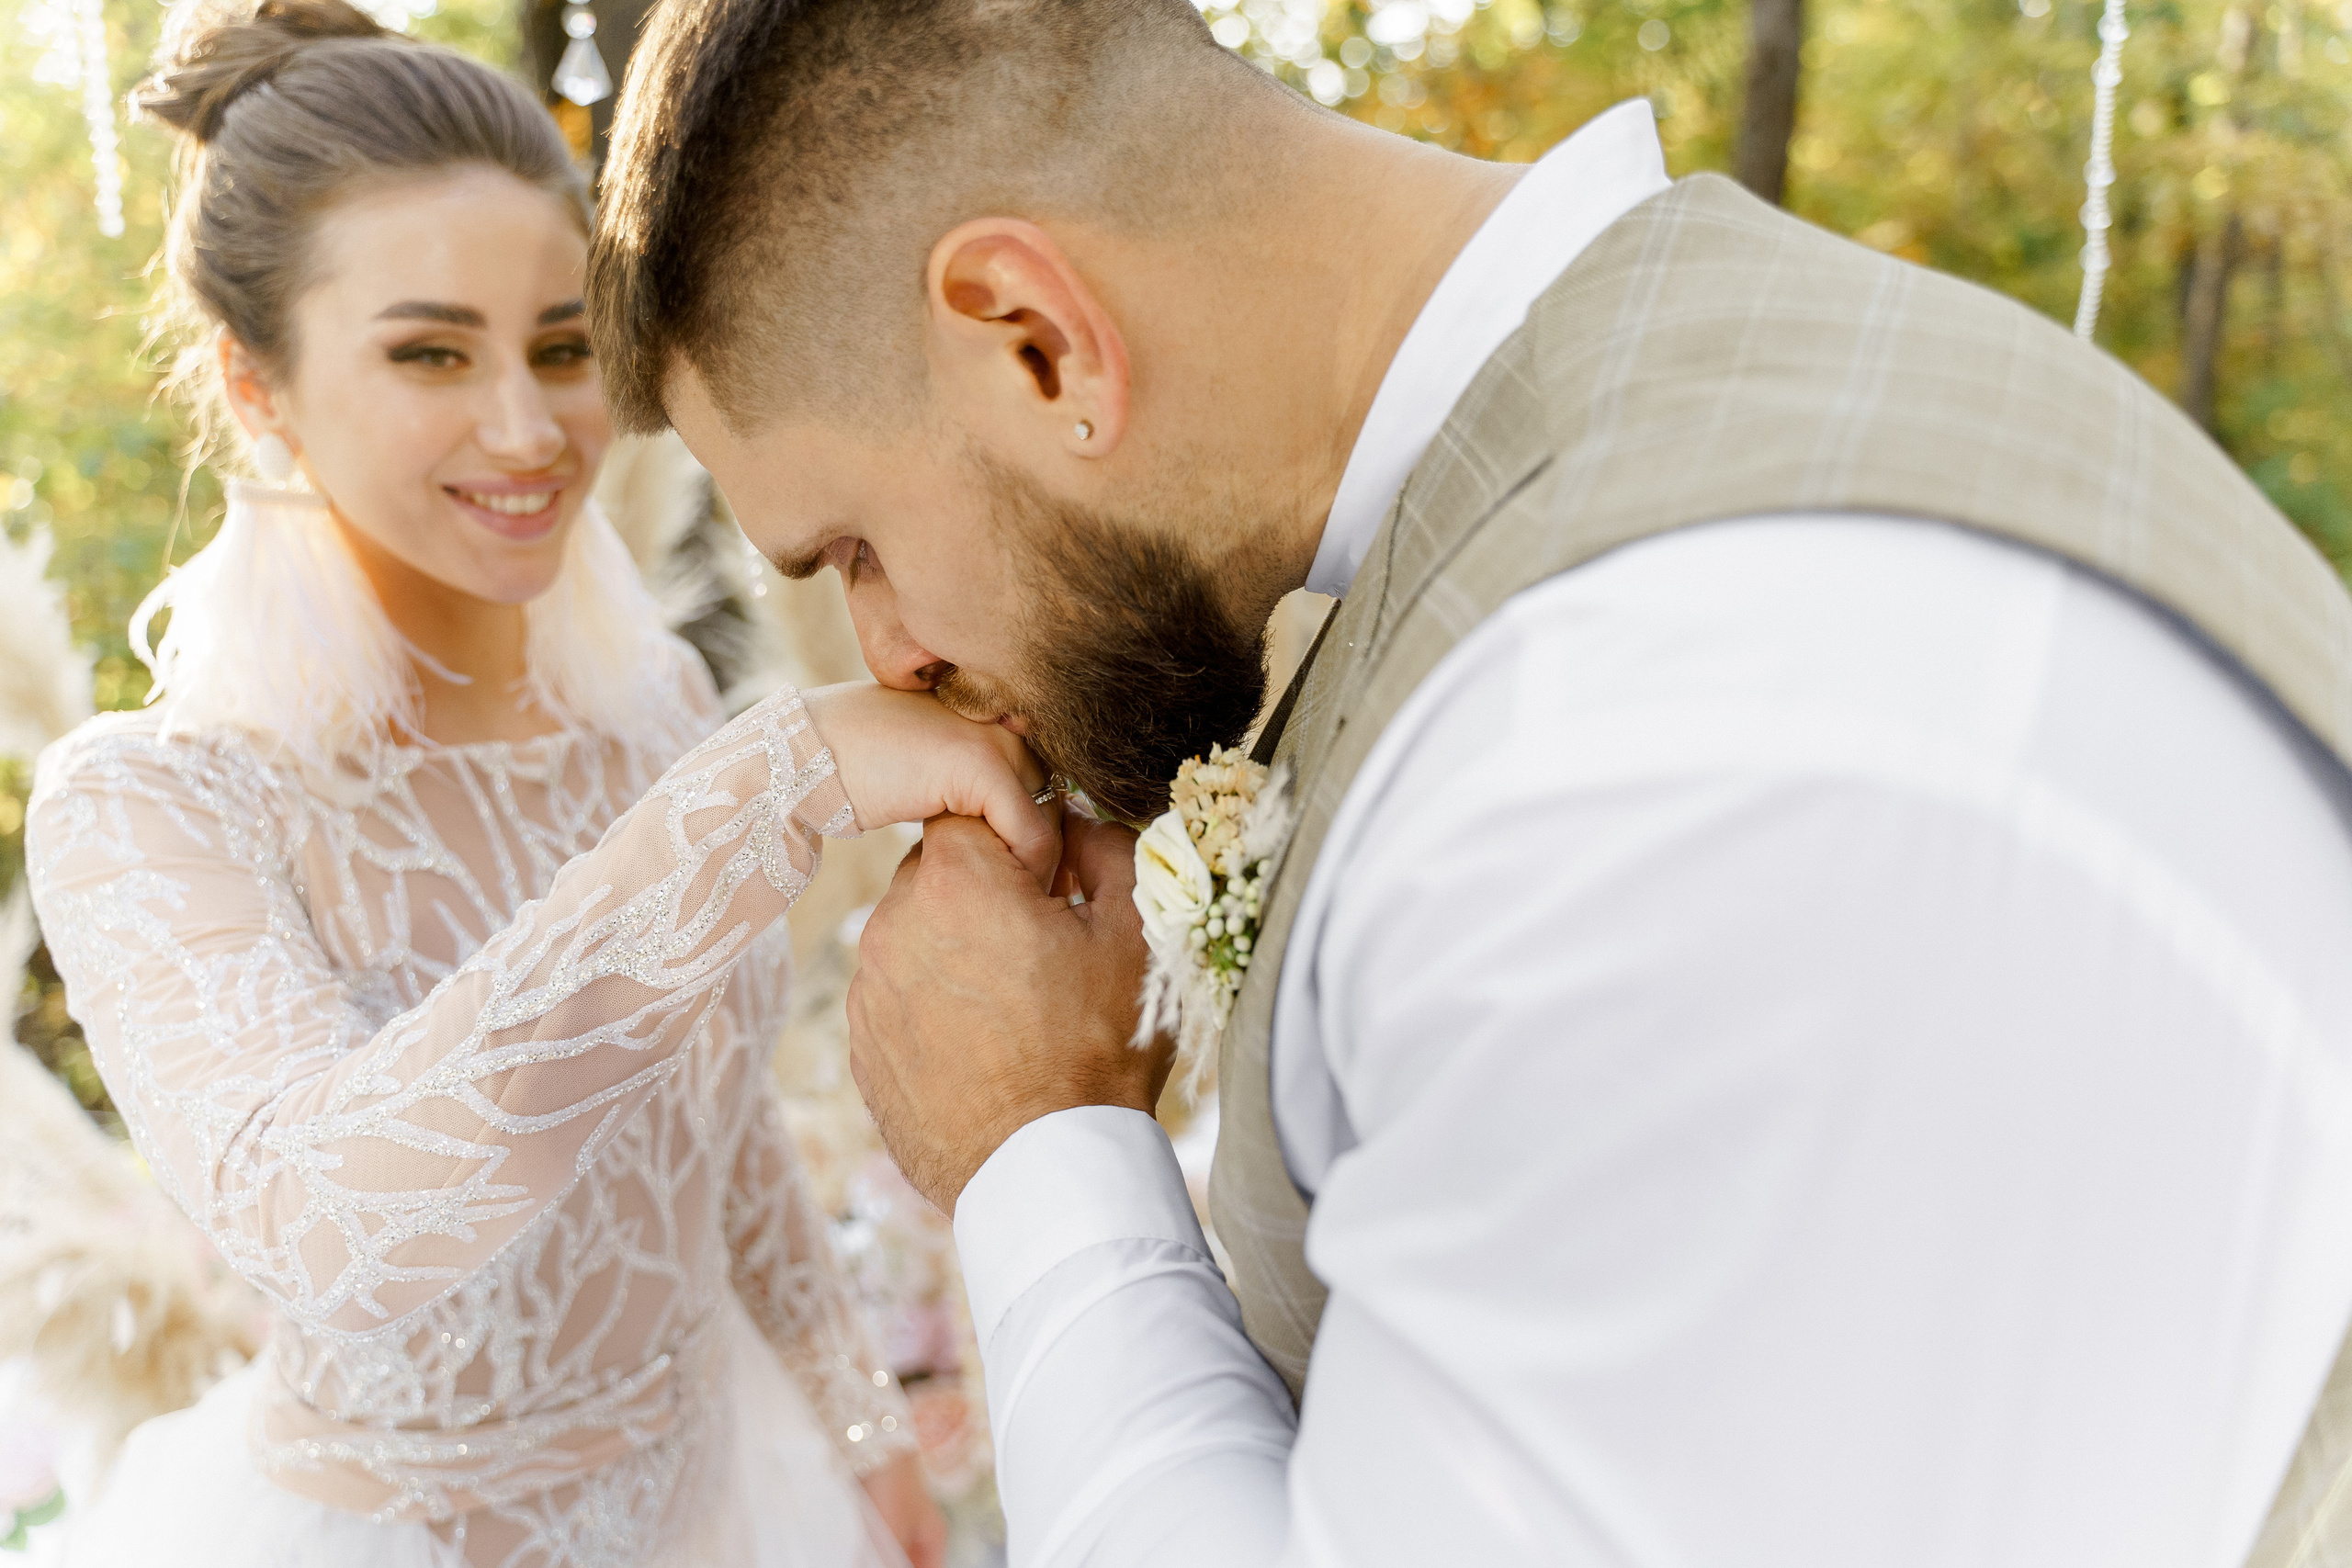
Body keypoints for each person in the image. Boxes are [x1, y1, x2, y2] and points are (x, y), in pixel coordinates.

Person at [584, 0, 2352, 1563]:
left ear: (1036, 339)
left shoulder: (1637, 764)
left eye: (854, 549)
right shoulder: (1666, 468)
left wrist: (1035, 1146)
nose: (888, 657)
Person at [19, 3, 1060, 1562]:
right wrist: (771, 787)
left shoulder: (653, 709)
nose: (528, 428)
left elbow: (723, 1144)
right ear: (254, 385)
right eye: (431, 351)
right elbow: (339, 1224)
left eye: (564, 348)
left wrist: (864, 1446)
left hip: (740, 1500)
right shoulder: (155, 809)